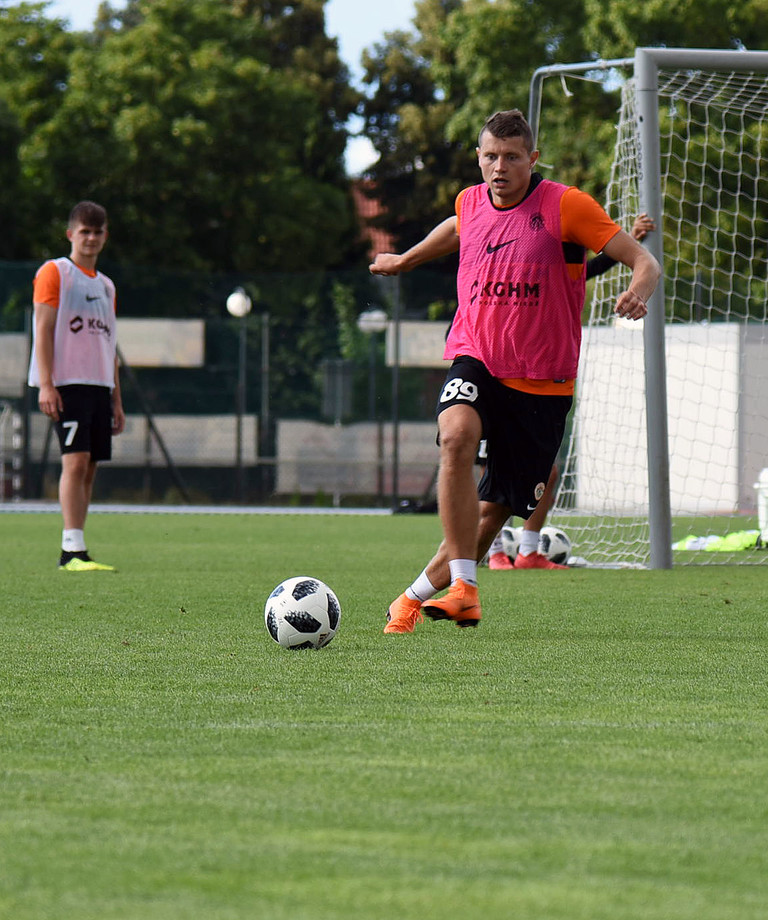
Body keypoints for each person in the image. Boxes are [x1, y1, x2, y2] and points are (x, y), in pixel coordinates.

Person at [370, 109, 660, 633]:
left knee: (488, 518)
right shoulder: (469, 199)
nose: (498, 168)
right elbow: (459, 226)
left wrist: (637, 293)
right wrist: (406, 260)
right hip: (476, 355)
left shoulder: (567, 205)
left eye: (510, 157)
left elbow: (645, 262)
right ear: (478, 158)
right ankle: (466, 587)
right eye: (489, 157)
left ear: (533, 158)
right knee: (455, 437)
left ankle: (411, 599)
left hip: (541, 384)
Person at [485, 212, 657, 570]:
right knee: (493, 471)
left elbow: (585, 271)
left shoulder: (550, 270)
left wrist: (627, 243)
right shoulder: (493, 275)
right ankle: (497, 551)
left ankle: (528, 551)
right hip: (494, 378)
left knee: (547, 472)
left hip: (541, 378)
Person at [28, 201, 125, 571]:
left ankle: (79, 547)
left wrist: (117, 398)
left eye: (98, 231)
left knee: (91, 465)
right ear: (71, 234)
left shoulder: (106, 285)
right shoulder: (56, 273)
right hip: (67, 383)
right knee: (75, 460)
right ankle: (70, 550)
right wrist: (46, 384)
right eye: (85, 231)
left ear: (105, 236)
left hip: (99, 385)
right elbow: (43, 329)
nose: (91, 238)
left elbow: (109, 344)